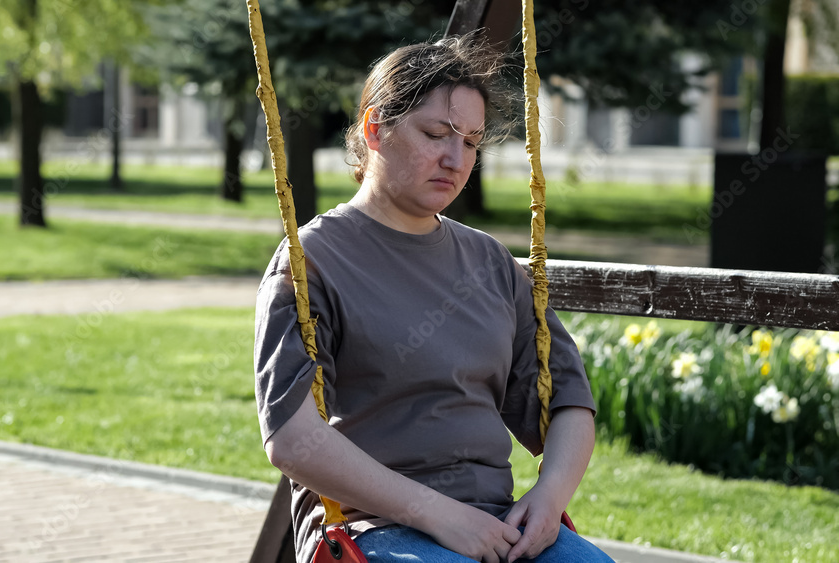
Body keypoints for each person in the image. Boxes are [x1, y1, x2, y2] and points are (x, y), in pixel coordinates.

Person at [254, 35, 613, 563]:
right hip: (372, 527)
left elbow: (569, 402)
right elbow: (289, 436)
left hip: (496, 522)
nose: (456, 158)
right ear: (376, 129)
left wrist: (547, 498)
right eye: (436, 134)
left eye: (471, 141)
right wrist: (436, 514)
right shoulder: (313, 261)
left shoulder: (491, 263)